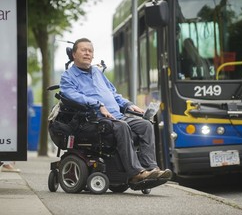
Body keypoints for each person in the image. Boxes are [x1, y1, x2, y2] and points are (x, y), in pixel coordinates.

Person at [60, 38, 172, 184]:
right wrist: (97, 104)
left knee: (145, 125)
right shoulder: (68, 76)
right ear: (74, 54)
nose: (87, 53)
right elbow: (71, 95)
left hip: (116, 116)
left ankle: (151, 168)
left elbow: (113, 93)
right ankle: (136, 173)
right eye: (83, 50)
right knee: (122, 126)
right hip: (93, 119)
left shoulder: (97, 72)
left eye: (90, 51)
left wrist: (128, 105)